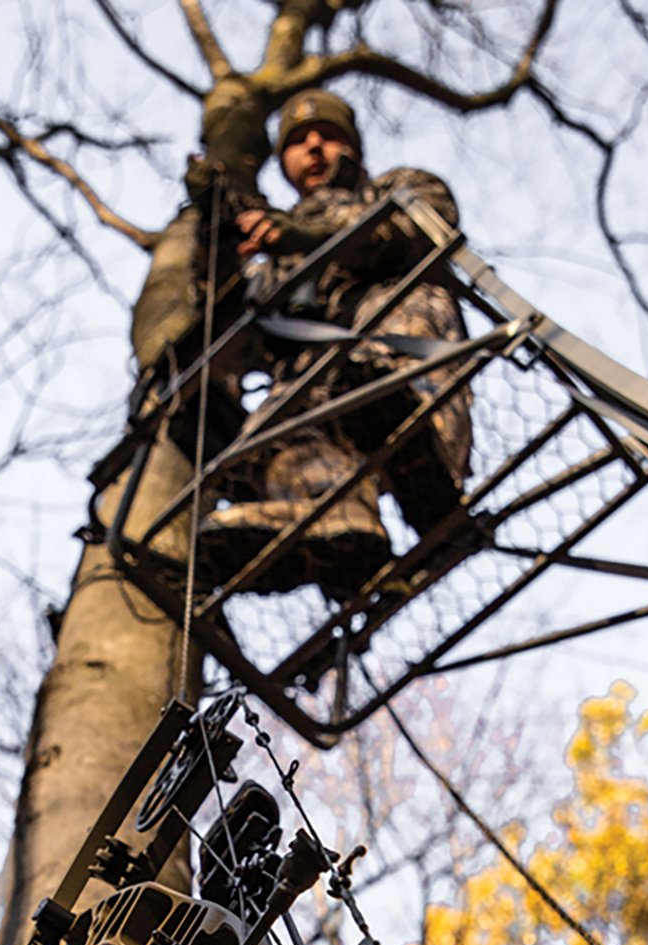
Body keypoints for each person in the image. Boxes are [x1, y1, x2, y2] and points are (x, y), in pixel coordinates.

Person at [194, 88, 474, 597]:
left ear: (353, 147)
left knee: (379, 368)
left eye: (328, 135)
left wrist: (314, 237)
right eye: (299, 141)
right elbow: (232, 332)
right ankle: (336, 520)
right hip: (318, 384)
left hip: (397, 346)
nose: (315, 147)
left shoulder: (396, 187)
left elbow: (426, 225)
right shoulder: (273, 250)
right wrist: (214, 240)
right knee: (266, 433)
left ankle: (419, 454)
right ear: (284, 161)